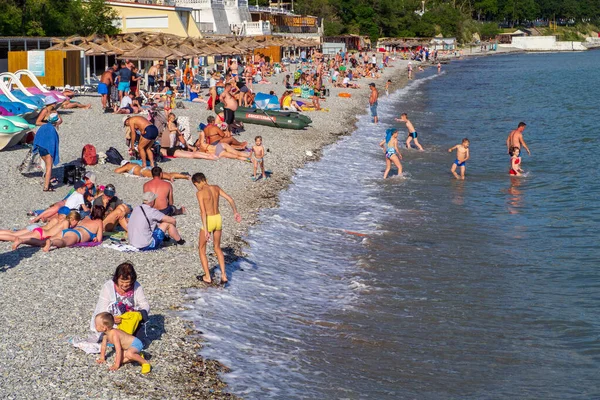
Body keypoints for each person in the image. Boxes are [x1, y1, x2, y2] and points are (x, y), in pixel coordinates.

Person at [192, 173, 241, 285]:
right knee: (217, 247)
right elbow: (230, 199)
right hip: (218, 218)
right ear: (205, 179)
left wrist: (205, 229)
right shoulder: (216, 188)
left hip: (209, 220)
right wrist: (235, 212)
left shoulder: (200, 193)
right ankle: (224, 275)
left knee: (201, 249)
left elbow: (203, 212)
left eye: (196, 185)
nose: (197, 187)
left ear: (197, 183)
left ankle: (207, 277)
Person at [90, 262, 150, 339]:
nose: (125, 285)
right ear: (116, 279)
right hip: (111, 320)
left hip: (128, 320)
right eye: (122, 282)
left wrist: (137, 315)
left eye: (128, 282)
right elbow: (102, 309)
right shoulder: (108, 287)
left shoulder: (136, 286)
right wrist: (111, 319)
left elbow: (145, 305)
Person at [0, 206, 70, 243]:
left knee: (14, 233)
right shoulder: (64, 222)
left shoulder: (55, 219)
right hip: (39, 231)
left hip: (37, 228)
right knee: (15, 237)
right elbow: (64, 233)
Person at [33, 112, 61, 192]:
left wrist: (36, 147)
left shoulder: (43, 126)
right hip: (48, 150)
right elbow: (53, 142)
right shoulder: (52, 130)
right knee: (49, 168)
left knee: (46, 166)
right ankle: (46, 187)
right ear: (55, 121)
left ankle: (47, 181)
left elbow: (37, 137)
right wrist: (53, 153)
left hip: (41, 148)